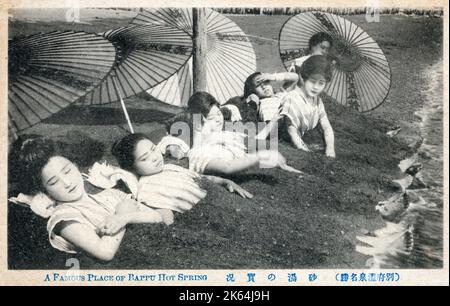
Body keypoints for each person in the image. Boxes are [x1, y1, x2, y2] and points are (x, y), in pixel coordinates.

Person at [9, 135, 171, 261]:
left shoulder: (106, 195)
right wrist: (121, 216)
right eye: (53, 182)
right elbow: (105, 252)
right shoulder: (64, 217)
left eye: (67, 171)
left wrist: (126, 217)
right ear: (45, 191)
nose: (67, 183)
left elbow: (159, 217)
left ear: (76, 166)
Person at [84, 133, 253, 215]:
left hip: (218, 200)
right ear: (132, 167)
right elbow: (165, 214)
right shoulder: (147, 187)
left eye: (153, 149)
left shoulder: (171, 167)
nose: (155, 157)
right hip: (207, 212)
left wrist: (224, 181)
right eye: (145, 158)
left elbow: (202, 178)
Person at [178, 92, 302, 175]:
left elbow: (253, 144)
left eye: (218, 113)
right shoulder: (199, 152)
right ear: (198, 123)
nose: (218, 119)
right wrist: (260, 157)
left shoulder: (225, 135)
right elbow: (227, 167)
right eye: (211, 118)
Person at [281, 55, 336, 158]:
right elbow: (291, 130)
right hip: (287, 138)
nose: (315, 87)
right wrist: (304, 150)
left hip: (303, 136)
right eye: (312, 81)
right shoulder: (292, 98)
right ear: (303, 78)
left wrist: (330, 149)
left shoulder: (317, 101)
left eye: (321, 83)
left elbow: (327, 127)